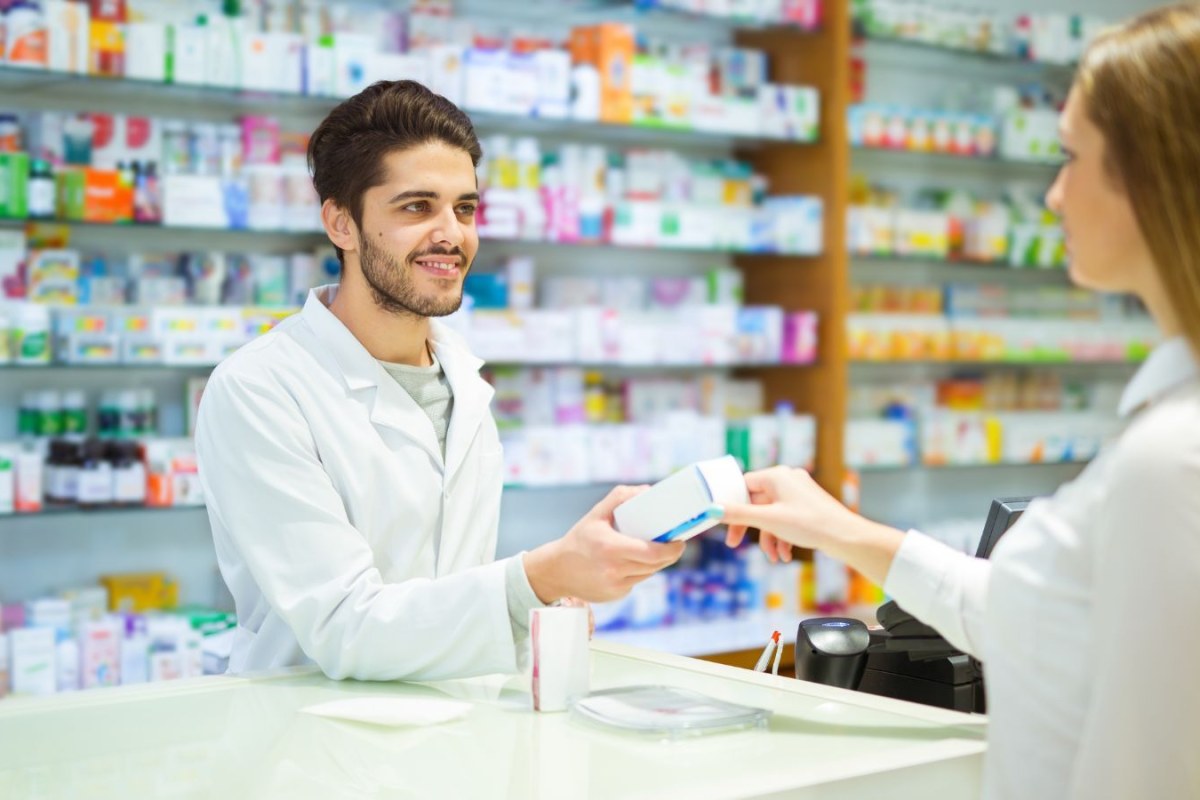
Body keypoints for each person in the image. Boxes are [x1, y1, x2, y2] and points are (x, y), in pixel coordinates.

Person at [721, 6, 1200, 799]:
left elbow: (1152, 772)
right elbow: (1027, 609)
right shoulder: (1168, 422)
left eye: (1071, 157)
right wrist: (834, 525)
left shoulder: (1170, 460)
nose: (1051, 197)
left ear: (1150, 175)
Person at [194, 80, 684, 681]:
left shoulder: (462, 380)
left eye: (465, 208)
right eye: (416, 207)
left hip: (452, 736)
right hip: (315, 745)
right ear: (341, 223)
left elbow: (440, 589)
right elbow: (347, 627)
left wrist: (544, 602)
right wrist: (540, 576)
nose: (451, 234)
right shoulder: (259, 389)